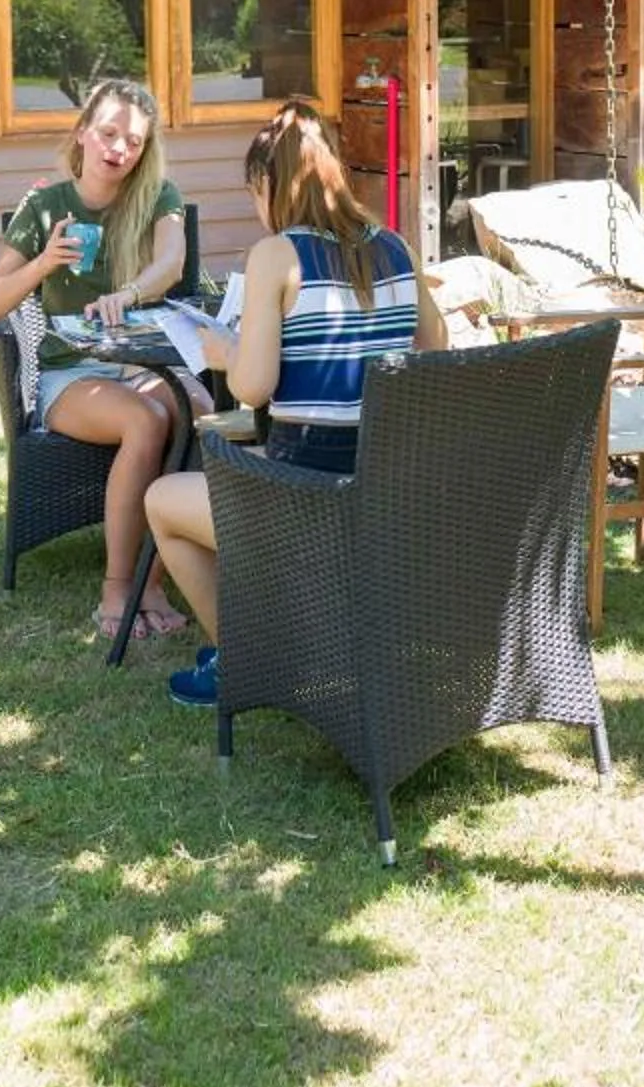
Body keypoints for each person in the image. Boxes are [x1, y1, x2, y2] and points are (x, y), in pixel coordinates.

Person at [144, 99, 445, 708]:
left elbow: (253, 388)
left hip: (306, 508)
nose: (258, 209)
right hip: (390, 499)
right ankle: (280, 647)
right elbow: (437, 351)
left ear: (270, 185)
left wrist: (225, 353)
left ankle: (250, 662)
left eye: (256, 193)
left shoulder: (277, 255)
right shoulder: (393, 246)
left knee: (162, 501)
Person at [0, 78, 193, 644]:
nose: (119, 149)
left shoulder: (156, 196)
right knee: (145, 421)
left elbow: (172, 262)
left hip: (140, 363)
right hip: (69, 373)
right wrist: (44, 261)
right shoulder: (46, 206)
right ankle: (118, 587)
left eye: (134, 141)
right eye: (108, 133)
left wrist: (131, 293)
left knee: (194, 408)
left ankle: (155, 579)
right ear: (82, 134)